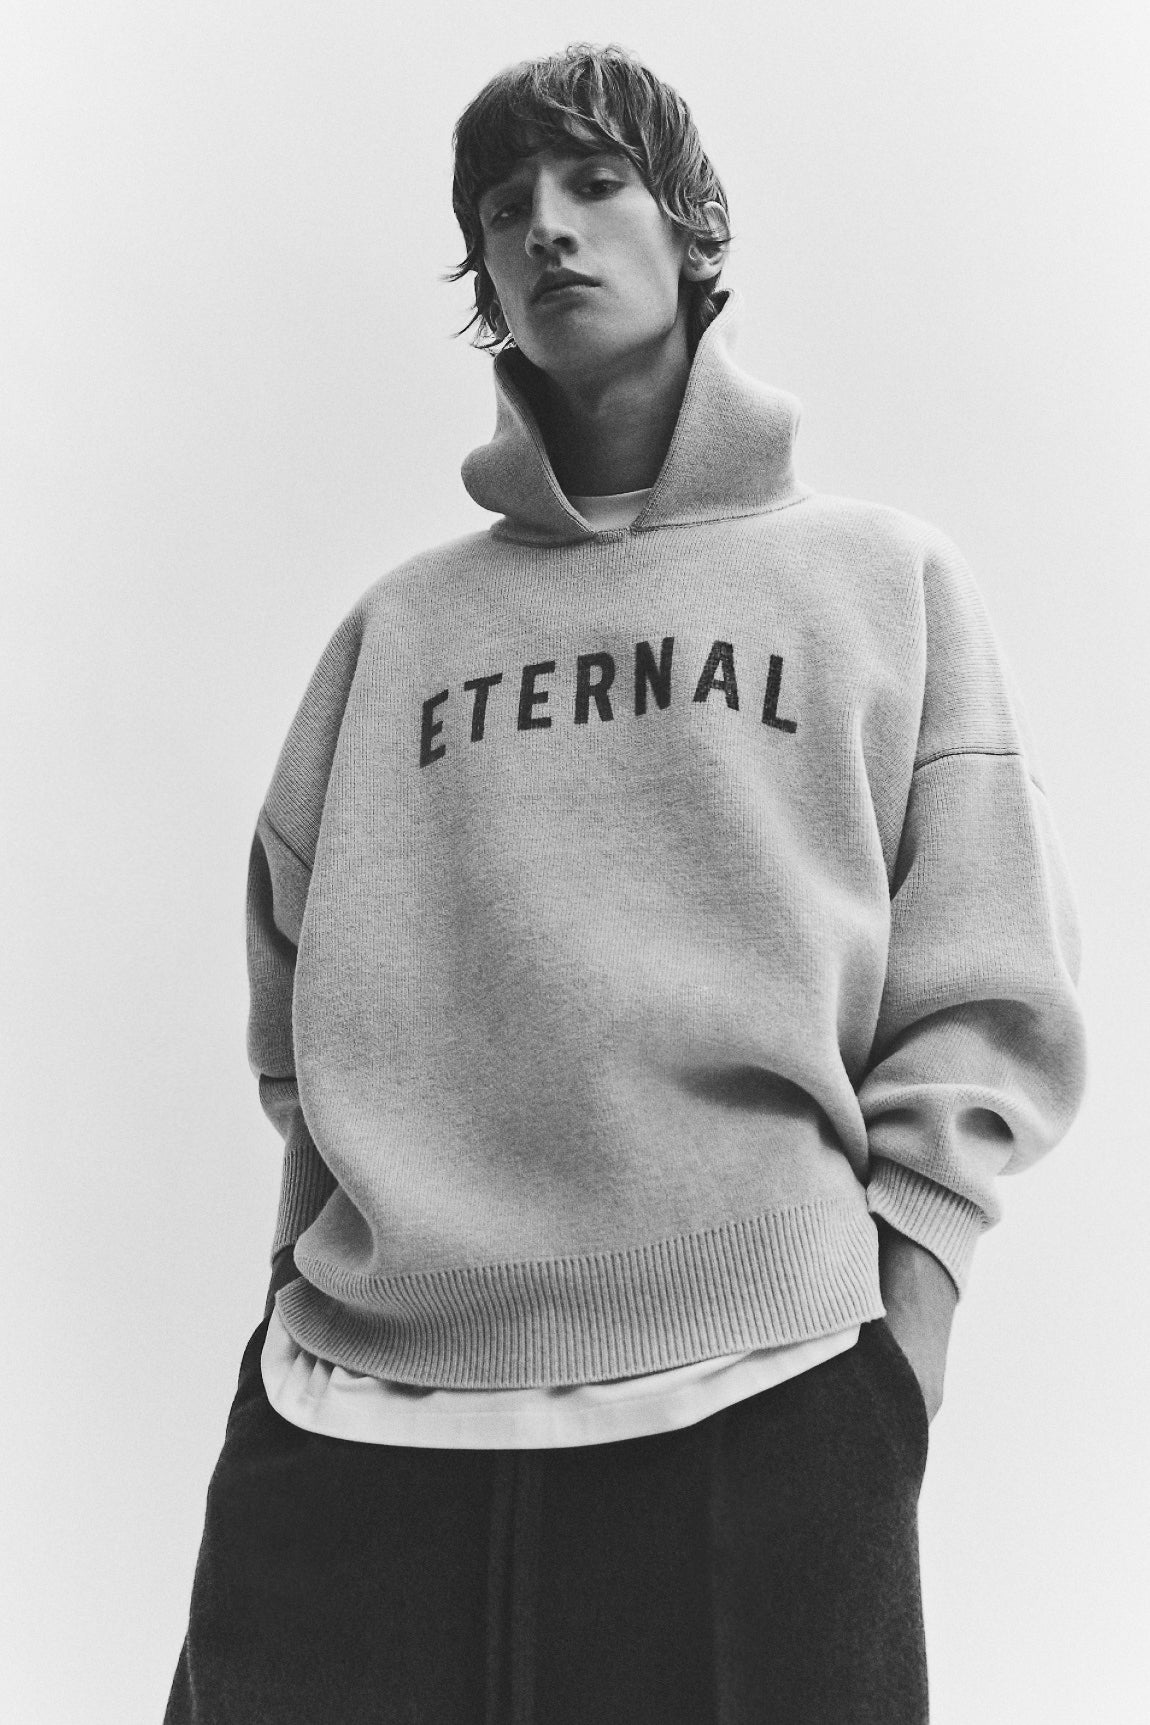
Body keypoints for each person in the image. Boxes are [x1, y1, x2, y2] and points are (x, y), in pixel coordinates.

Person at [165, 42, 1086, 1725]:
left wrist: (905, 1331)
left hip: (766, 1390)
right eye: (503, 209)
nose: (547, 230)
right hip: (357, 1409)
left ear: (691, 227)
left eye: (595, 183)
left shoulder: (877, 581)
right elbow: (300, 1009)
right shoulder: (397, 631)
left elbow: (987, 982)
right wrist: (294, 1298)